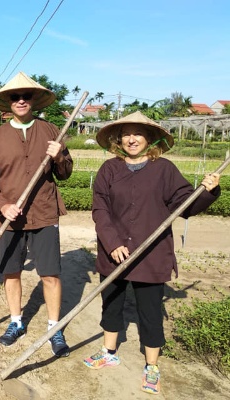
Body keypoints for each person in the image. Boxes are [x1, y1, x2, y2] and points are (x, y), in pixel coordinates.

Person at [83, 111, 221, 395]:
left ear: (150, 138)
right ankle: (109, 352)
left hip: (151, 254)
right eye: (126, 134)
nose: (131, 139)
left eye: (138, 133)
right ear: (118, 139)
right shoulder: (109, 170)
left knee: (149, 312)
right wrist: (113, 243)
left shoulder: (165, 169)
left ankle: (152, 367)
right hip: (115, 254)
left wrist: (207, 192)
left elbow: (186, 206)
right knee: (111, 304)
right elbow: (100, 210)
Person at [0, 71, 72, 356]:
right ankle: (16, 322)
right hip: (10, 218)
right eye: (15, 97)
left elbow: (65, 173)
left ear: (34, 101)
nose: (21, 100)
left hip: (44, 213)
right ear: (8, 102)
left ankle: (54, 328)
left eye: (26, 96)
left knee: (50, 274)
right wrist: (2, 205)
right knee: (11, 272)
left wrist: (59, 156)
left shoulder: (51, 130)